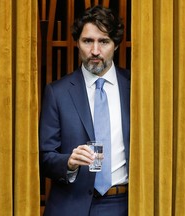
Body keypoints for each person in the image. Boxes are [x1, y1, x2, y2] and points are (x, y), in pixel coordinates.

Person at [39, 5, 130, 216]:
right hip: (70, 204)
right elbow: (44, 158)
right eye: (88, 41)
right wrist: (68, 163)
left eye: (104, 41)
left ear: (115, 45)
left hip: (124, 204)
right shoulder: (57, 92)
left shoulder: (136, 89)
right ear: (77, 43)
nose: (95, 51)